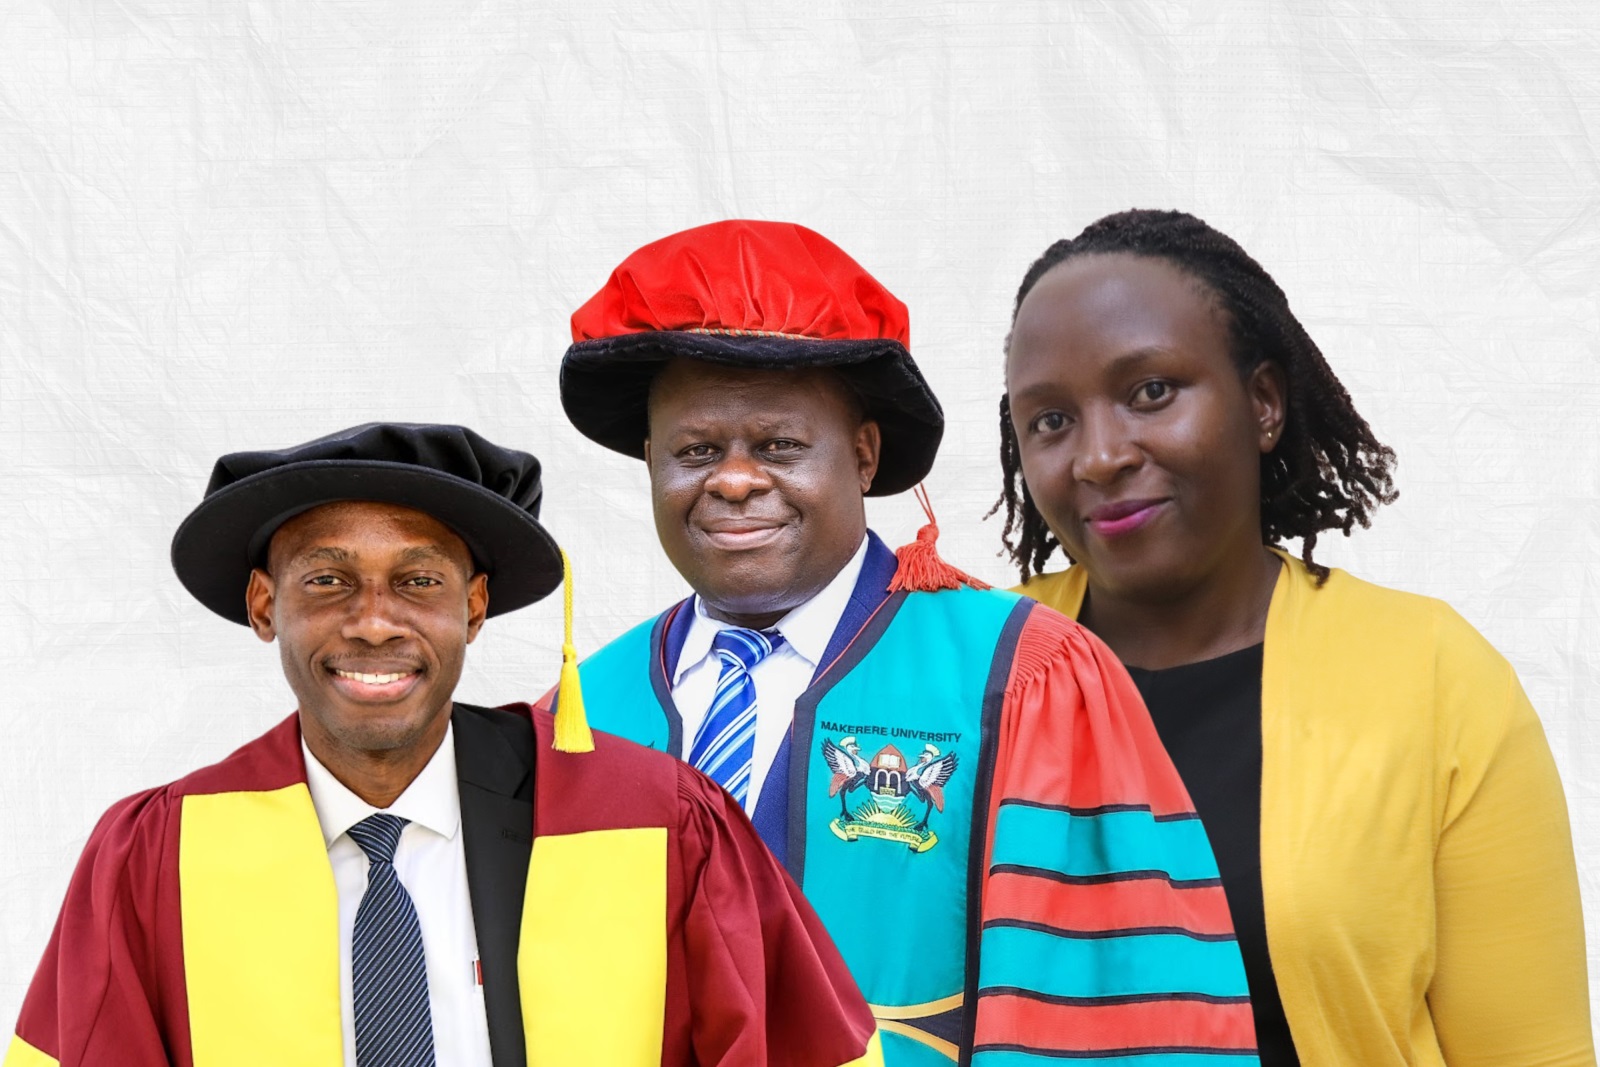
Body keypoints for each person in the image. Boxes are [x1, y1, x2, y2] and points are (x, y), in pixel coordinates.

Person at [549, 220, 1260, 1067]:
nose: (734, 479)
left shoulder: (1021, 678)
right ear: (649, 461)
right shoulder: (583, 712)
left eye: (778, 445)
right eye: (696, 449)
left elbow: (1112, 1022)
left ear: (862, 453)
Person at [5, 422, 884, 1067]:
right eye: (328, 579)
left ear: (472, 607)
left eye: (418, 580)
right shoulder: (158, 858)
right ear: (266, 605)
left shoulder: (656, 826)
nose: (375, 619)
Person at [994, 208, 1594, 1066]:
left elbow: (1532, 1052)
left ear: (1264, 403)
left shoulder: (1429, 676)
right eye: (1050, 419)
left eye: (1151, 392)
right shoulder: (971, 665)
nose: (1098, 455)